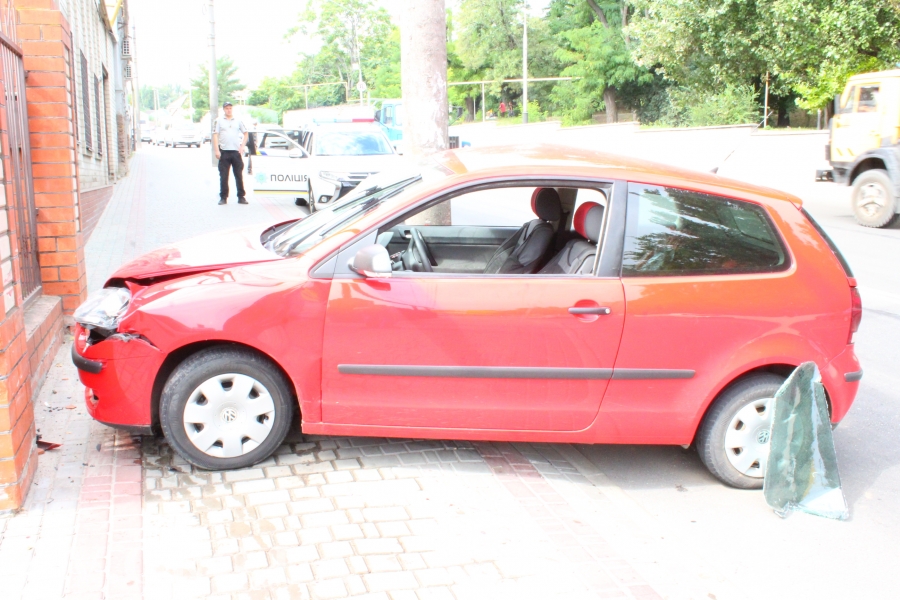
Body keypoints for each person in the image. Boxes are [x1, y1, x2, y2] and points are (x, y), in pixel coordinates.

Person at [213, 101, 248, 205]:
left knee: (238, 175)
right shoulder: (218, 121)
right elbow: (215, 135)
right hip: (224, 152)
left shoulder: (238, 120)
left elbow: (246, 133)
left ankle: (241, 197)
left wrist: (242, 146)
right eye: (227, 108)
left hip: (236, 152)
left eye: (230, 108)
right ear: (224, 109)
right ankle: (223, 197)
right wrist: (216, 150)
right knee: (224, 176)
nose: (228, 110)